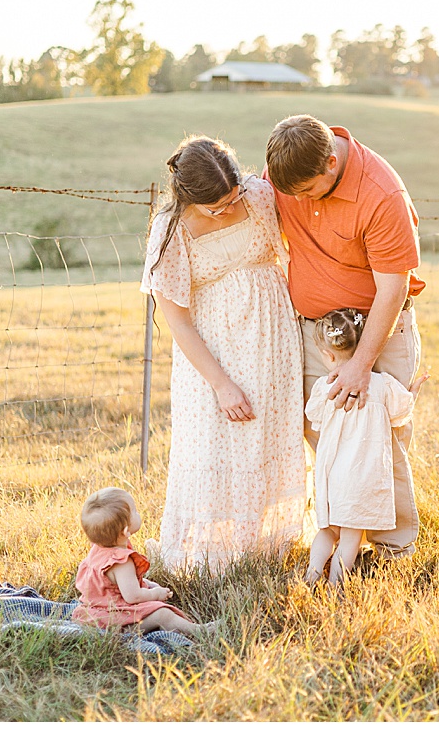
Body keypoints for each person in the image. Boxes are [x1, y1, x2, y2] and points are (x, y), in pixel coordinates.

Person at [140, 135, 305, 573]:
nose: (230, 209)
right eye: (218, 207)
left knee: (269, 435)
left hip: (272, 344)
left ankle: (265, 544)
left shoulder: (260, 196)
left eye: (234, 199)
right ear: (190, 198)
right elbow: (176, 318)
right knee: (214, 447)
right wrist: (222, 383)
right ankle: (215, 555)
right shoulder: (171, 232)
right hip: (213, 355)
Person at [265, 115, 425, 560]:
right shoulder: (286, 175)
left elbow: (393, 288)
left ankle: (394, 548)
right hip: (318, 332)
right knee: (326, 432)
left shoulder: (380, 193)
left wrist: (359, 366)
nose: (296, 200)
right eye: (289, 193)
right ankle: (337, 530)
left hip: (380, 326)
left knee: (380, 438)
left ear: (331, 163)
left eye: (306, 191)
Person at [302, 309, 428, 586]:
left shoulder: (326, 387)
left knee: (326, 532)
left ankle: (311, 576)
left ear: (328, 355)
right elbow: (402, 411)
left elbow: (314, 417)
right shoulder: (382, 385)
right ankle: (336, 584)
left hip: (332, 476)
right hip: (362, 478)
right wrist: (415, 390)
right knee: (350, 539)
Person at [71, 487, 214, 636]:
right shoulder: (121, 562)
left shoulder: (98, 550)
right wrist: (155, 594)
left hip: (93, 615)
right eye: (134, 511)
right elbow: (133, 596)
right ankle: (200, 631)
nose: (138, 512)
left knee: (154, 606)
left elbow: (113, 584)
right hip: (117, 623)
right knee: (162, 615)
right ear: (125, 531)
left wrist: (147, 584)